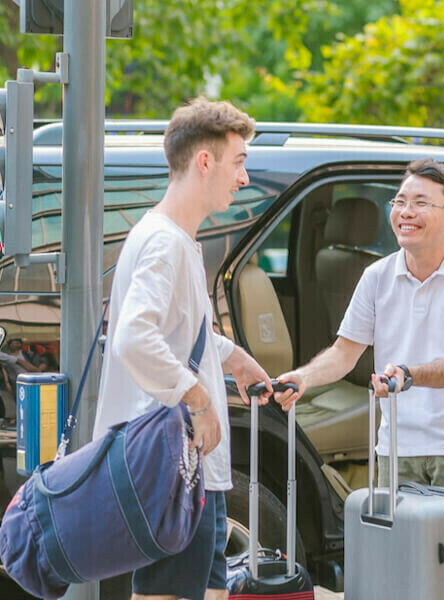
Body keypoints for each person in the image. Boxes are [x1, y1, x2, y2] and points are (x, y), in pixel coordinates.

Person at [91, 98, 285, 600]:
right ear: (205, 161)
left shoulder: (169, 236)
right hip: (173, 464)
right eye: (239, 161)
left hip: (189, 466)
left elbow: (177, 329)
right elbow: (134, 337)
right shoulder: (166, 243)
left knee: (207, 589)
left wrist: (233, 357)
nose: (243, 177)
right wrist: (198, 399)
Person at [276, 159, 444, 492]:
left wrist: (409, 375)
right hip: (397, 445)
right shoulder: (377, 276)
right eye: (399, 201)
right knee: (401, 545)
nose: (405, 212)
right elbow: (344, 352)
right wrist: (303, 377)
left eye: (421, 203)